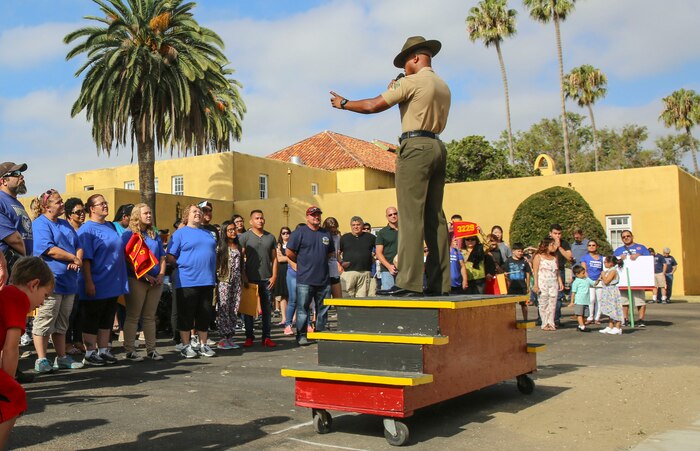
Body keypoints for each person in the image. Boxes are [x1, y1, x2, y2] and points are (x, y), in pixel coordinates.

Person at [332, 36, 451, 297]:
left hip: (416, 146)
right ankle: (440, 283)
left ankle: (409, 282)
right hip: (438, 148)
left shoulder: (411, 82)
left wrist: (344, 103)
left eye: (406, 61)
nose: (405, 66)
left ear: (416, 58)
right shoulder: (442, 85)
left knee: (410, 216)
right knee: (436, 218)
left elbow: (374, 105)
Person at [0, 257, 54, 448]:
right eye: (45, 296)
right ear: (34, 284)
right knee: (15, 396)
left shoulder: (6, 293)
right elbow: (11, 348)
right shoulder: (18, 298)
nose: (42, 303)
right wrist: (8, 382)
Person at [31, 189, 84, 372]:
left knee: (62, 322)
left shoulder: (65, 224)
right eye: (58, 202)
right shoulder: (40, 224)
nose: (62, 204)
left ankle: (61, 357)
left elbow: (78, 246)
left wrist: (76, 260)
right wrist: (72, 258)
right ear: (47, 206)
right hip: (51, 281)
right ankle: (41, 359)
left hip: (69, 282)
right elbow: (48, 249)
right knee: (45, 320)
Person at [78, 194, 128, 366]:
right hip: (97, 281)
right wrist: (89, 282)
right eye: (101, 204)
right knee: (92, 317)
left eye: (106, 203)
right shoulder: (87, 230)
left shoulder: (110, 226)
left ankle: (103, 350)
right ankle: (90, 353)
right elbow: (85, 260)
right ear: (92, 209)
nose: (105, 206)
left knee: (107, 317)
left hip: (112, 282)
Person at [167, 204, 217, 358]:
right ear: (186, 215)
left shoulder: (208, 234)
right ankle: (186, 345)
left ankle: (203, 344)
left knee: (205, 314)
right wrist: (184, 265)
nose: (198, 213)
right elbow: (170, 256)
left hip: (207, 280)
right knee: (186, 314)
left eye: (200, 212)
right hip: (187, 280)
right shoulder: (179, 234)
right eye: (194, 211)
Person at [121, 203, 167, 361]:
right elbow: (127, 259)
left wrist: (161, 274)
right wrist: (145, 276)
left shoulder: (154, 234)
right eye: (145, 213)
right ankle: (130, 350)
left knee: (149, 316)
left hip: (156, 281)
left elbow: (162, 257)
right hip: (137, 280)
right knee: (133, 315)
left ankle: (151, 349)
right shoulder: (129, 235)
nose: (149, 215)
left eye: (150, 213)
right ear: (137, 215)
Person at [286, 206, 335, 346]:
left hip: (324, 279)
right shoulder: (299, 232)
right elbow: (289, 252)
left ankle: (320, 332)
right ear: (307, 217)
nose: (316, 217)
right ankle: (301, 335)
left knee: (323, 309)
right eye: (313, 215)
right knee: (302, 309)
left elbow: (330, 253)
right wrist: (302, 263)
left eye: (318, 214)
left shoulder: (326, 234)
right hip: (305, 279)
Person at [238, 210, 278, 348]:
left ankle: (266, 337)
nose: (260, 220)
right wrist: (243, 275)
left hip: (267, 278)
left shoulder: (270, 237)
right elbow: (240, 258)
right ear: (251, 221)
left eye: (262, 218)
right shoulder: (244, 237)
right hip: (250, 278)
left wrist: (274, 276)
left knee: (267, 310)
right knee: (249, 310)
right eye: (257, 218)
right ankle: (249, 337)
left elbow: (275, 258)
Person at [215, 221, 244, 350]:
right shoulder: (221, 247)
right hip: (224, 280)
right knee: (224, 308)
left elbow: (241, 265)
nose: (233, 232)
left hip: (237, 281)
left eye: (234, 229)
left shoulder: (238, 246)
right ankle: (223, 337)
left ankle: (230, 336)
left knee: (234, 308)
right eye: (230, 230)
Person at [63, 198, 86, 355]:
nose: (82, 215)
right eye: (78, 212)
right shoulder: (66, 230)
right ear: (69, 215)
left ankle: (78, 340)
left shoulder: (85, 230)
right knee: (69, 312)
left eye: (83, 211)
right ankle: (66, 343)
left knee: (81, 311)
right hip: (70, 276)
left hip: (83, 276)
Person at [613, 230, 650, 327]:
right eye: (623, 237)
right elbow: (612, 262)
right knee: (624, 301)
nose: (626, 238)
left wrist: (639, 256)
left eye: (628, 236)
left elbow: (649, 259)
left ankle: (641, 319)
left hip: (638, 279)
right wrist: (619, 258)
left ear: (632, 236)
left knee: (639, 300)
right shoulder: (618, 250)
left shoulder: (641, 248)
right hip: (623, 279)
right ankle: (624, 318)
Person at [339, 216, 375, 297]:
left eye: (358, 224)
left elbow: (379, 249)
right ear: (351, 226)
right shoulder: (344, 238)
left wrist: (374, 258)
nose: (356, 227)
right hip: (348, 273)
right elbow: (337, 252)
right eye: (353, 225)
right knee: (346, 298)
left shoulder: (370, 237)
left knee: (362, 300)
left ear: (362, 225)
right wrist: (340, 263)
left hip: (365, 272)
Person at [532, 238, 563, 331]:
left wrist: (560, 282)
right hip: (543, 282)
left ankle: (551, 323)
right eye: (552, 244)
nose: (554, 247)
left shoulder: (555, 257)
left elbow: (557, 271)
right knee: (543, 302)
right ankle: (545, 323)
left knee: (553, 302)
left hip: (553, 282)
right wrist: (535, 284)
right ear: (546, 246)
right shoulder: (538, 257)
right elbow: (535, 271)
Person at [549, 224, 573, 327]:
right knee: (546, 295)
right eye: (555, 233)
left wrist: (560, 247)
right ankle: (544, 318)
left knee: (558, 295)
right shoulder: (547, 242)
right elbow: (549, 252)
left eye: (559, 233)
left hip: (560, 270)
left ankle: (556, 319)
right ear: (550, 233)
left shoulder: (565, 243)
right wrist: (554, 245)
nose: (557, 236)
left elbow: (569, 257)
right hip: (548, 271)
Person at [503, 243, 531, 320]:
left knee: (524, 304)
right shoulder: (508, 261)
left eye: (522, 251)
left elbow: (528, 274)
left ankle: (525, 319)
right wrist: (504, 274)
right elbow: (503, 271)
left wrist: (528, 286)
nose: (520, 253)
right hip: (511, 287)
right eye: (519, 251)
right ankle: (511, 319)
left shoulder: (524, 261)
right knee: (511, 305)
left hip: (522, 287)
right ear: (513, 251)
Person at [598, 255, 625, 335]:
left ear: (611, 263)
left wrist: (603, 274)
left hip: (612, 291)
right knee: (609, 309)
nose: (604, 263)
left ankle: (618, 327)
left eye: (606, 262)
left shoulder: (613, 271)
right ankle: (610, 325)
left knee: (615, 308)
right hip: (607, 291)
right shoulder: (609, 270)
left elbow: (607, 281)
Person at [579, 239, 604, 324]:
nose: (591, 247)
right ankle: (590, 317)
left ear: (596, 247)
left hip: (599, 280)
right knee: (591, 299)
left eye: (593, 245)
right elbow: (584, 270)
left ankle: (597, 318)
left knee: (599, 300)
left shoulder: (601, 258)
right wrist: (589, 280)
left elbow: (603, 270)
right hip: (590, 280)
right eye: (589, 245)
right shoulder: (585, 257)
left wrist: (599, 278)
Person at [375, 207, 399, 291]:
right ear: (387, 217)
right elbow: (378, 253)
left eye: (395, 213)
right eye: (390, 215)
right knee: (390, 298)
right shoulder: (382, 232)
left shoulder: (405, 230)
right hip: (387, 270)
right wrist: (389, 267)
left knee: (405, 298)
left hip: (404, 269)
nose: (393, 216)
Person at [274, 227, 292, 328]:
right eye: (283, 233)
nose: (286, 235)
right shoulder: (278, 245)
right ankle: (284, 318)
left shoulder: (293, 244)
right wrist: (289, 258)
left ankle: (293, 318)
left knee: (292, 296)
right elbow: (279, 259)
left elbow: (296, 257)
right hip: (281, 271)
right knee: (283, 295)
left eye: (288, 233)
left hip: (292, 271)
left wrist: (286, 258)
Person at [568, 265, 594, 332]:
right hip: (579, 301)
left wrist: (599, 280)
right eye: (583, 273)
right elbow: (573, 292)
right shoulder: (576, 282)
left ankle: (580, 325)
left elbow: (594, 284)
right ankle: (582, 326)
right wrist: (572, 301)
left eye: (584, 272)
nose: (584, 274)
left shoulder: (587, 279)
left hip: (586, 300)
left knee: (585, 315)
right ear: (577, 274)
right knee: (579, 314)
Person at [322, 217, 342, 300]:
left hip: (334, 267)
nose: (333, 230)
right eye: (331, 228)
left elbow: (337, 253)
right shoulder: (322, 236)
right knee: (323, 298)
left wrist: (341, 263)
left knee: (338, 297)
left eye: (335, 227)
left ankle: (340, 312)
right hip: (323, 267)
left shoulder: (337, 237)